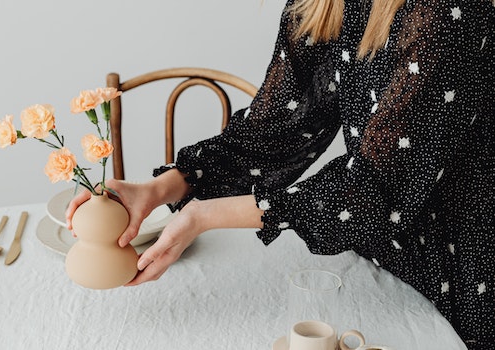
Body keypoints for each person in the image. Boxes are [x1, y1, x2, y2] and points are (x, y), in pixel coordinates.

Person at [65, 0, 494, 347]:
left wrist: (203, 216)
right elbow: (277, 127)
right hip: (386, 259)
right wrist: (162, 187)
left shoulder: (449, 11)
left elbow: (374, 189)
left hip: (464, 276)